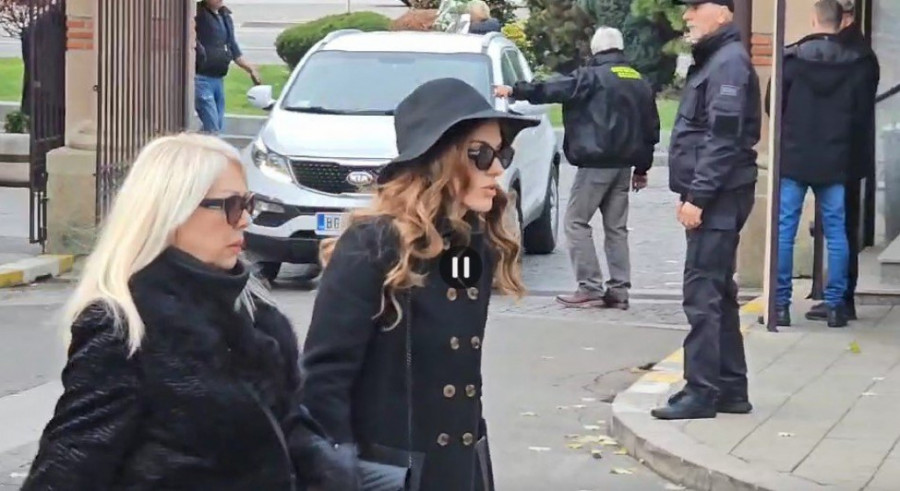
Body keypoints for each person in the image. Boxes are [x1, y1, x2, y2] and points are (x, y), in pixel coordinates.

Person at [21, 134, 357, 491]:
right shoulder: (126, 327)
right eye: (231, 205)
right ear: (173, 211)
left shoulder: (256, 317)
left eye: (249, 203)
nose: (245, 220)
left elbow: (292, 430)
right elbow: (67, 468)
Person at [301, 78, 538, 491]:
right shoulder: (373, 244)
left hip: (458, 467)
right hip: (391, 473)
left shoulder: (468, 244)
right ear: (439, 158)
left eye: (502, 153)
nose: (498, 169)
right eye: (481, 154)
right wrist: (336, 472)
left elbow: (457, 356)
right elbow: (324, 377)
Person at [494, 27, 660, 310]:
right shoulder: (638, 80)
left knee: (575, 222)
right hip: (623, 167)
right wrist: (642, 169)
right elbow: (651, 129)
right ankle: (619, 290)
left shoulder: (590, 77)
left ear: (595, 49)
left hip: (595, 164)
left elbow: (553, 88)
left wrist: (515, 90)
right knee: (616, 228)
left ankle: (590, 287)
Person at [651, 0, 760, 420]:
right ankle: (731, 388)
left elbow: (723, 137)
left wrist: (698, 197)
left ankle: (701, 392)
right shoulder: (718, 59)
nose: (688, 15)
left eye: (697, 6)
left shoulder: (728, 63)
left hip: (718, 196)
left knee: (702, 295)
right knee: (718, 292)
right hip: (720, 193)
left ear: (723, 13)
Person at [764, 0, 870, 328]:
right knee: (837, 232)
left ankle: (779, 305)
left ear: (814, 20)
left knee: (784, 230)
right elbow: (860, 114)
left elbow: (772, 104)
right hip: (835, 158)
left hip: (795, 156)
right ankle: (836, 306)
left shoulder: (791, 59)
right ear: (841, 22)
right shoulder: (854, 63)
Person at [802, 0, 881, 322]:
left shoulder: (852, 55)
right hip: (847, 152)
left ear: (846, 17)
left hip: (841, 152)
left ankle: (841, 297)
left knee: (841, 227)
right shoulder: (858, 54)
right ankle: (838, 297)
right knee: (840, 227)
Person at [195, 0, 261, 134]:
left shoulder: (224, 16)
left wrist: (250, 69)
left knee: (218, 124)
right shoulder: (199, 14)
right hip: (201, 79)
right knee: (212, 126)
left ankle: (198, 143)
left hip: (218, 79)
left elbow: (233, 48)